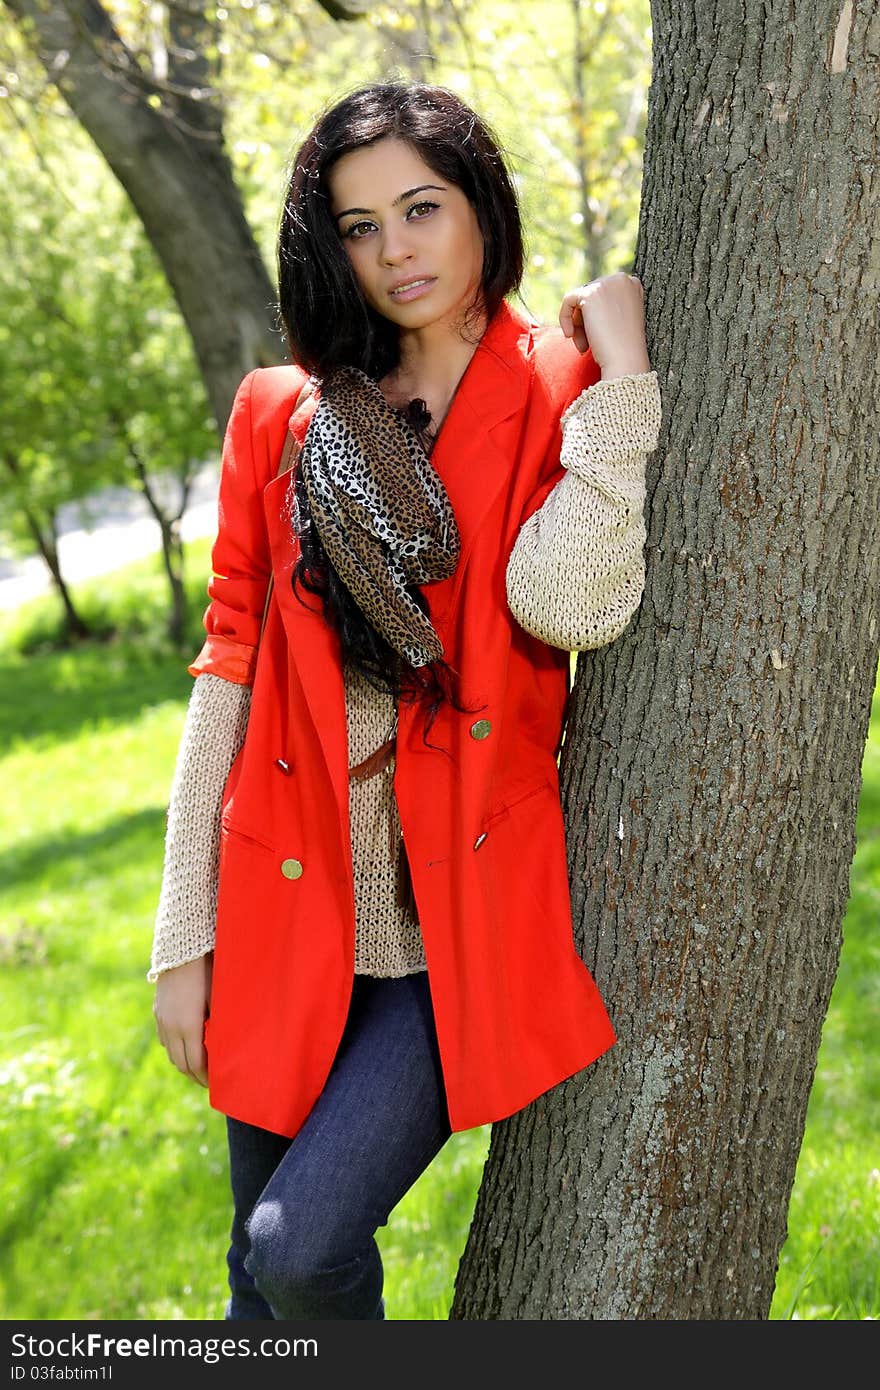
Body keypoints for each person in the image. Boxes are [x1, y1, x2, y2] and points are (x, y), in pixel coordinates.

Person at [149, 80, 662, 1321]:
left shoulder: (555, 384)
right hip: (285, 897)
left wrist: (626, 375)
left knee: (297, 1244)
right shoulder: (291, 410)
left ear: (481, 206)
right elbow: (230, 664)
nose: (395, 250)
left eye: (421, 208)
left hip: (453, 926)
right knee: (252, 1292)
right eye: (360, 225)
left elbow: (569, 605)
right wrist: (184, 932)